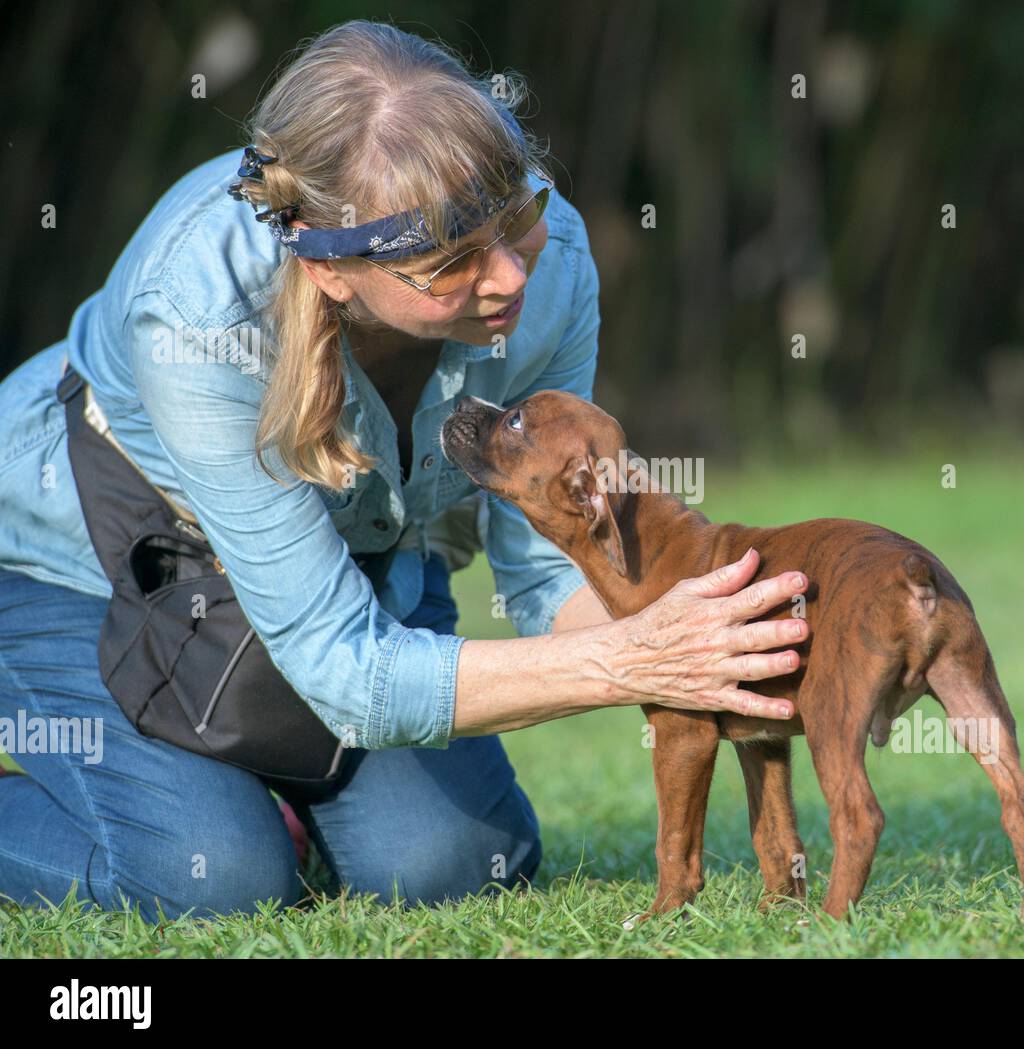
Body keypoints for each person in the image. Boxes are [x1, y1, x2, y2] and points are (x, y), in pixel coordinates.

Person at [0, 20, 806, 920]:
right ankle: (209, 803)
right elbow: (342, 666)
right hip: (85, 570)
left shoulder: (555, 259)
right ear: (335, 271)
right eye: (454, 261)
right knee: (215, 876)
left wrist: (693, 639)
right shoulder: (195, 309)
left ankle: (257, 787)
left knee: (457, 862)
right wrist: (633, 662)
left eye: (517, 217)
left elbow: (544, 559)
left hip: (344, 575)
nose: (507, 277)